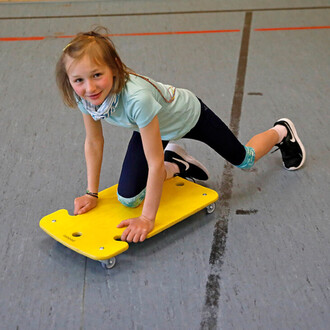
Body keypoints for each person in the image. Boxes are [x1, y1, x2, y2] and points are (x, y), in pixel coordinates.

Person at [56, 27, 306, 243]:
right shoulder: (86, 99)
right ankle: (177, 163)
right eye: (79, 80)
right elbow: (94, 142)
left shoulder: (137, 98)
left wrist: (147, 219)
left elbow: (154, 163)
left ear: (114, 68)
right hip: (152, 127)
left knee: (245, 160)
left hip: (190, 116)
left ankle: (281, 131)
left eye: (97, 75)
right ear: (69, 80)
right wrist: (91, 193)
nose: (89, 87)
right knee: (128, 198)